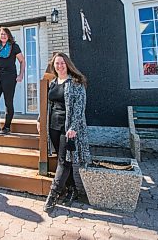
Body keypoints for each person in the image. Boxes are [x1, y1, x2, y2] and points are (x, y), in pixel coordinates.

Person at [37, 52, 91, 213]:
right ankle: (73, 190)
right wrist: (40, 119)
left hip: (67, 129)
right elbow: (48, 104)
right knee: (63, 159)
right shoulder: (53, 83)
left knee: (64, 161)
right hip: (53, 126)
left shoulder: (76, 82)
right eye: (56, 63)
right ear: (53, 66)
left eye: (62, 63)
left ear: (67, 64)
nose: (59, 66)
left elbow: (80, 108)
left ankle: (53, 196)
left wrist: (73, 127)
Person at [0, 27, 25, 135]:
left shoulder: (14, 47)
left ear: (8, 35)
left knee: (8, 103)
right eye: (1, 34)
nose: (3, 35)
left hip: (9, 77)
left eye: (5, 34)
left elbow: (22, 61)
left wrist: (20, 75)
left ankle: (7, 127)